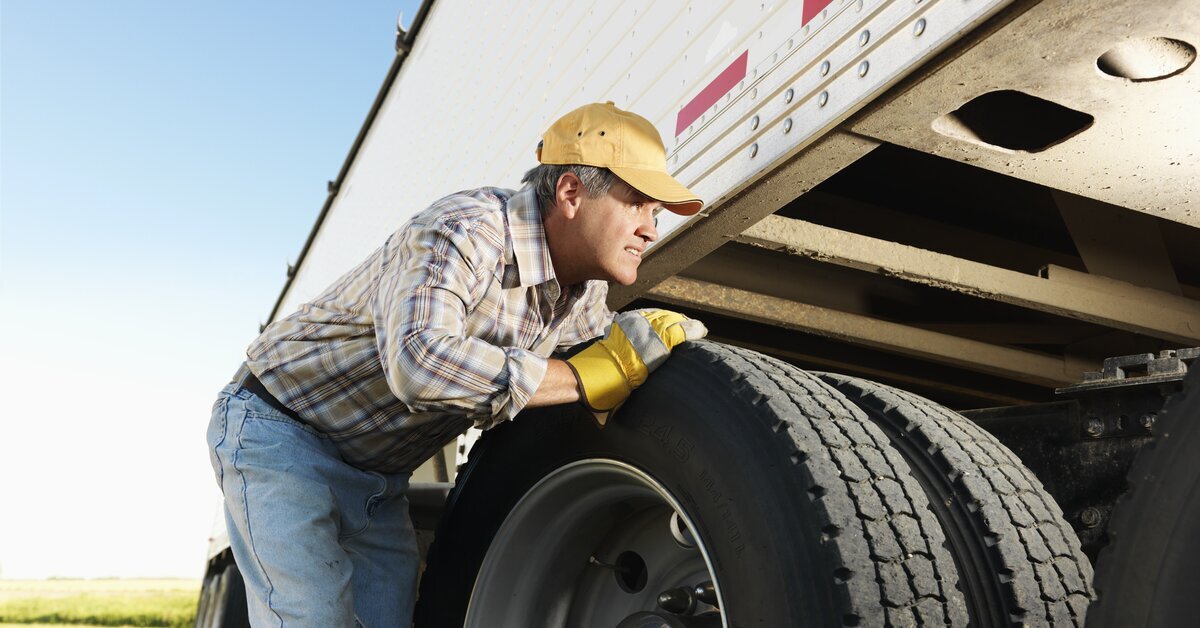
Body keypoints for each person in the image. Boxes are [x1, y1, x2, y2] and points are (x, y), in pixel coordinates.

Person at [205, 101, 708, 626]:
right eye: (639, 206)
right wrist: (582, 377)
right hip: (281, 434)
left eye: (655, 213)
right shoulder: (466, 230)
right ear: (571, 194)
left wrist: (646, 353)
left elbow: (604, 379)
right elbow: (419, 363)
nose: (652, 230)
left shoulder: (579, 300)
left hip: (379, 476)